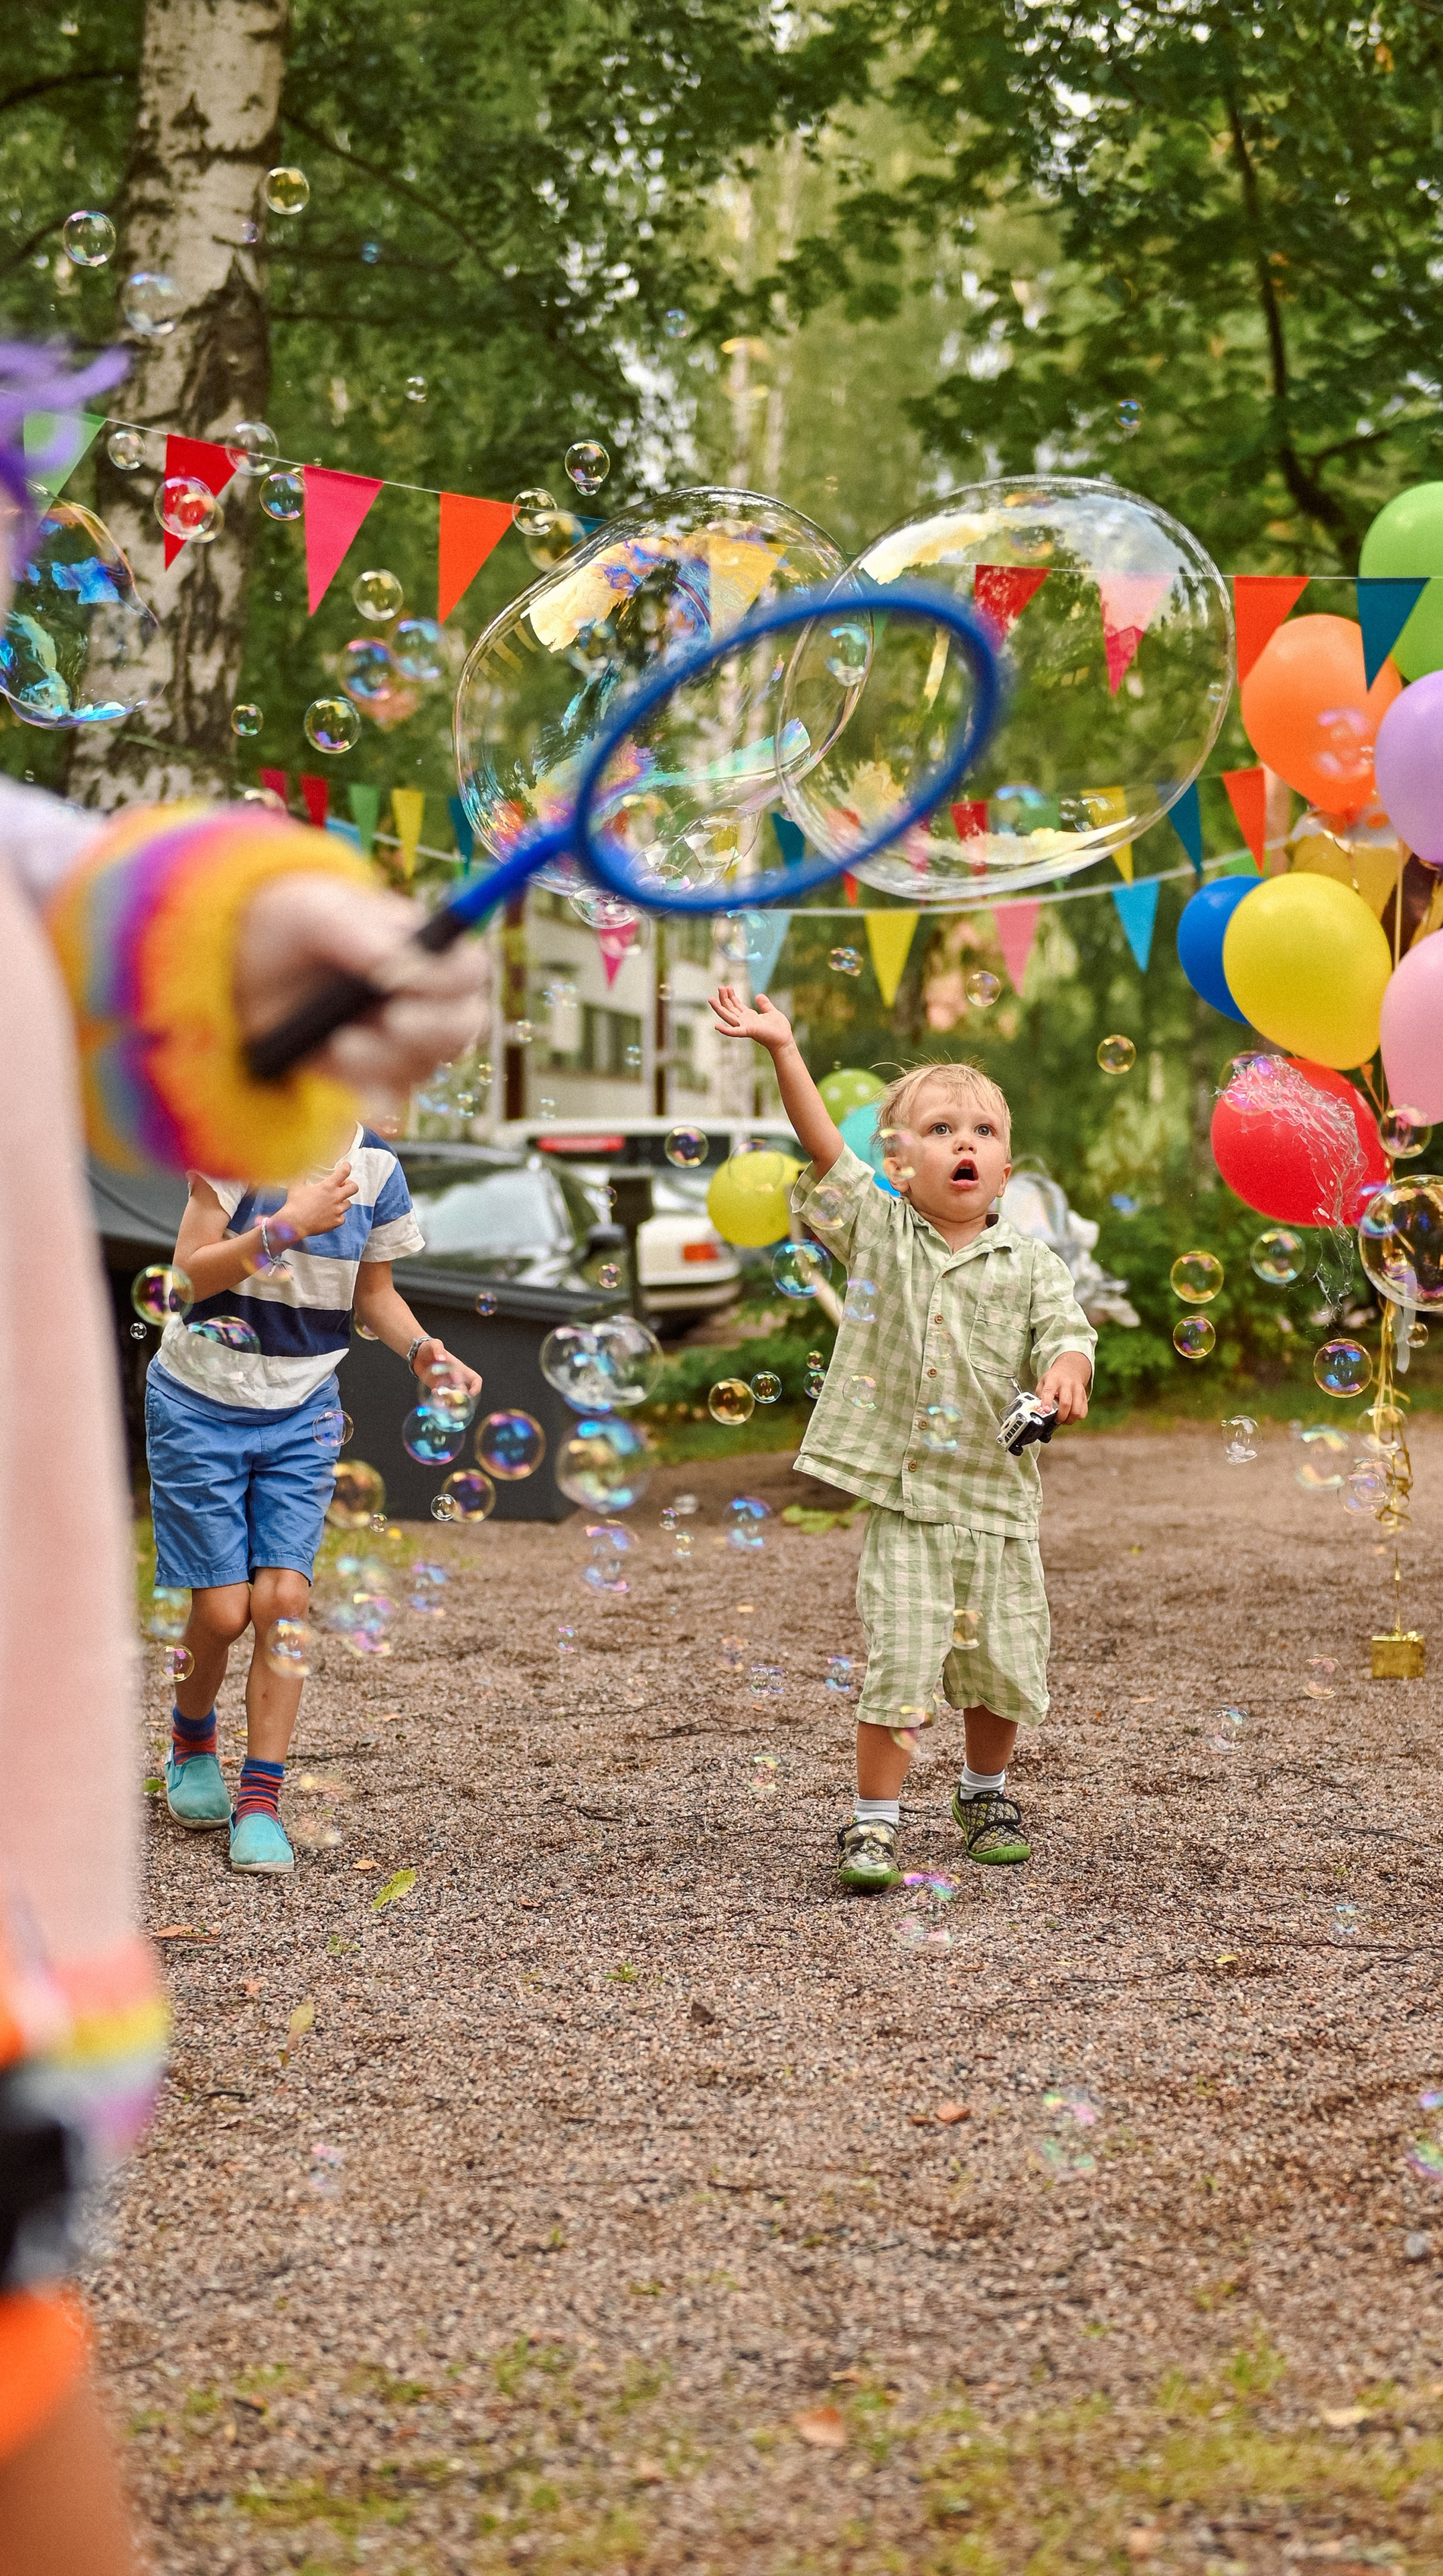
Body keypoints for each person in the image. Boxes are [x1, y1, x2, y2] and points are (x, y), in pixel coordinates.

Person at [0, 337, 488, 2573]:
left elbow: (116, 912)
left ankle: (238, 1777)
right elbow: (192, 1268)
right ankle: (222, 1747)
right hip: (211, 1401)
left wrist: (260, 925)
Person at [709, 986, 1095, 1891]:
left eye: (985, 1132)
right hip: (911, 1504)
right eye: (940, 1129)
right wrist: (783, 1048)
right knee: (902, 1664)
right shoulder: (881, 1232)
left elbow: (1066, 1333)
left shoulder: (1032, 1263)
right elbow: (822, 1148)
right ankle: (874, 1822)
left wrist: (1069, 1370)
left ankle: (984, 1790)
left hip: (999, 1507)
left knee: (1002, 1669)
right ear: (900, 1161)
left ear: (1004, 1171)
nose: (965, 1143)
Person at [149, 1134, 481, 1875]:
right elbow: (183, 1278)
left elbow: (373, 1294)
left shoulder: (377, 1169)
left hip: (302, 1408)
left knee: (284, 1598)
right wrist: (285, 1226)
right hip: (200, 1402)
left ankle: (260, 1801)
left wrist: (424, 1352)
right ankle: (192, 1736)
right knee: (223, 1610)